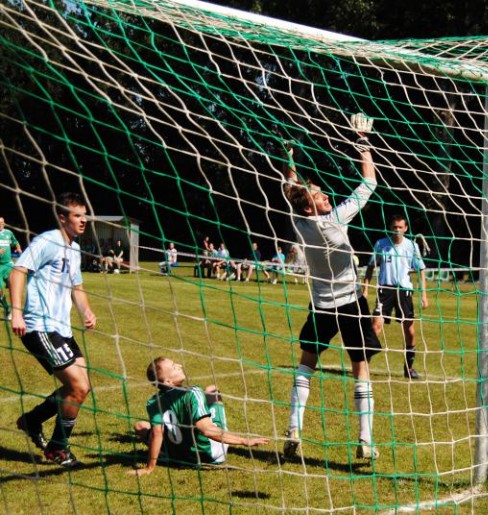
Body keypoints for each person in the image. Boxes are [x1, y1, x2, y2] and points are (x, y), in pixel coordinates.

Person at [281, 113, 381, 461]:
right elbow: (369, 183)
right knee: (361, 367)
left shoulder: (299, 222)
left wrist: (289, 159)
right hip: (351, 303)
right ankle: (366, 439)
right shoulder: (336, 220)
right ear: (311, 205)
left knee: (306, 364)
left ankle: (295, 427)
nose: (327, 197)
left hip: (321, 305)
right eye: (321, 196)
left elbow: (288, 191)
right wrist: (362, 141)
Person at [10, 192, 97, 468]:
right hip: (40, 326)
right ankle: (58, 449)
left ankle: (32, 421)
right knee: (78, 386)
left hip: (62, 329)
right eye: (77, 215)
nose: (83, 221)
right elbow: (18, 270)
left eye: (84, 215)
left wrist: (86, 312)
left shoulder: (74, 249)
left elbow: (77, 288)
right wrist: (16, 311)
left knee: (81, 388)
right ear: (63, 218)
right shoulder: (47, 241)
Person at [128, 357, 270, 476]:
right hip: (210, 456)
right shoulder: (193, 392)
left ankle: (168, 454)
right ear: (168, 381)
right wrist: (245, 441)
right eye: (174, 367)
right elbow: (207, 430)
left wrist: (149, 468)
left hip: (178, 456)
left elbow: (157, 435)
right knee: (212, 390)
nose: (179, 365)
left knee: (140, 425)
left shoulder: (153, 402)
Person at [363, 214, 429, 379]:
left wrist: (424, 295)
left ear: (405, 229)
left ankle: (409, 368)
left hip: (404, 291)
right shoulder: (381, 244)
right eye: (395, 227)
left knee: (410, 331)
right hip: (384, 290)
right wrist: (365, 289)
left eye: (401, 227)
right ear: (390, 228)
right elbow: (371, 266)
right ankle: (364, 365)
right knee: (375, 326)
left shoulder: (412, 246)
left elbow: (421, 269)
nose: (397, 230)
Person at [0, 216, 22, 319]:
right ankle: (7, 308)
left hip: (8, 264)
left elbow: (15, 242)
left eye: (2, 223)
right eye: (0, 223)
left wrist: (18, 249)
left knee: (14, 286)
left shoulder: (8, 233)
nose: (1, 224)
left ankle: (17, 312)